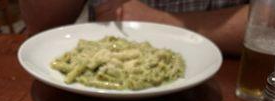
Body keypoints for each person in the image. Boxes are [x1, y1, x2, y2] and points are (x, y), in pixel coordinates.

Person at [19, 0, 249, 54]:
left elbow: (270, 23)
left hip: (227, 74)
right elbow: (40, 25)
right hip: (90, 73)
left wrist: (158, 21)